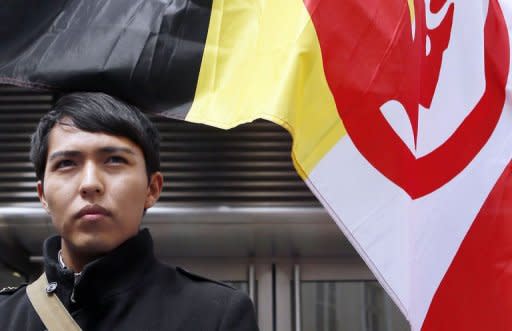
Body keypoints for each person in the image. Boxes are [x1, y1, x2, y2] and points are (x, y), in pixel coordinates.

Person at [0, 92, 259, 331]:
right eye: (67, 163)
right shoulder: (6, 315)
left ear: (152, 188)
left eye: (114, 160)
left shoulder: (215, 315)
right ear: (42, 194)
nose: (90, 183)